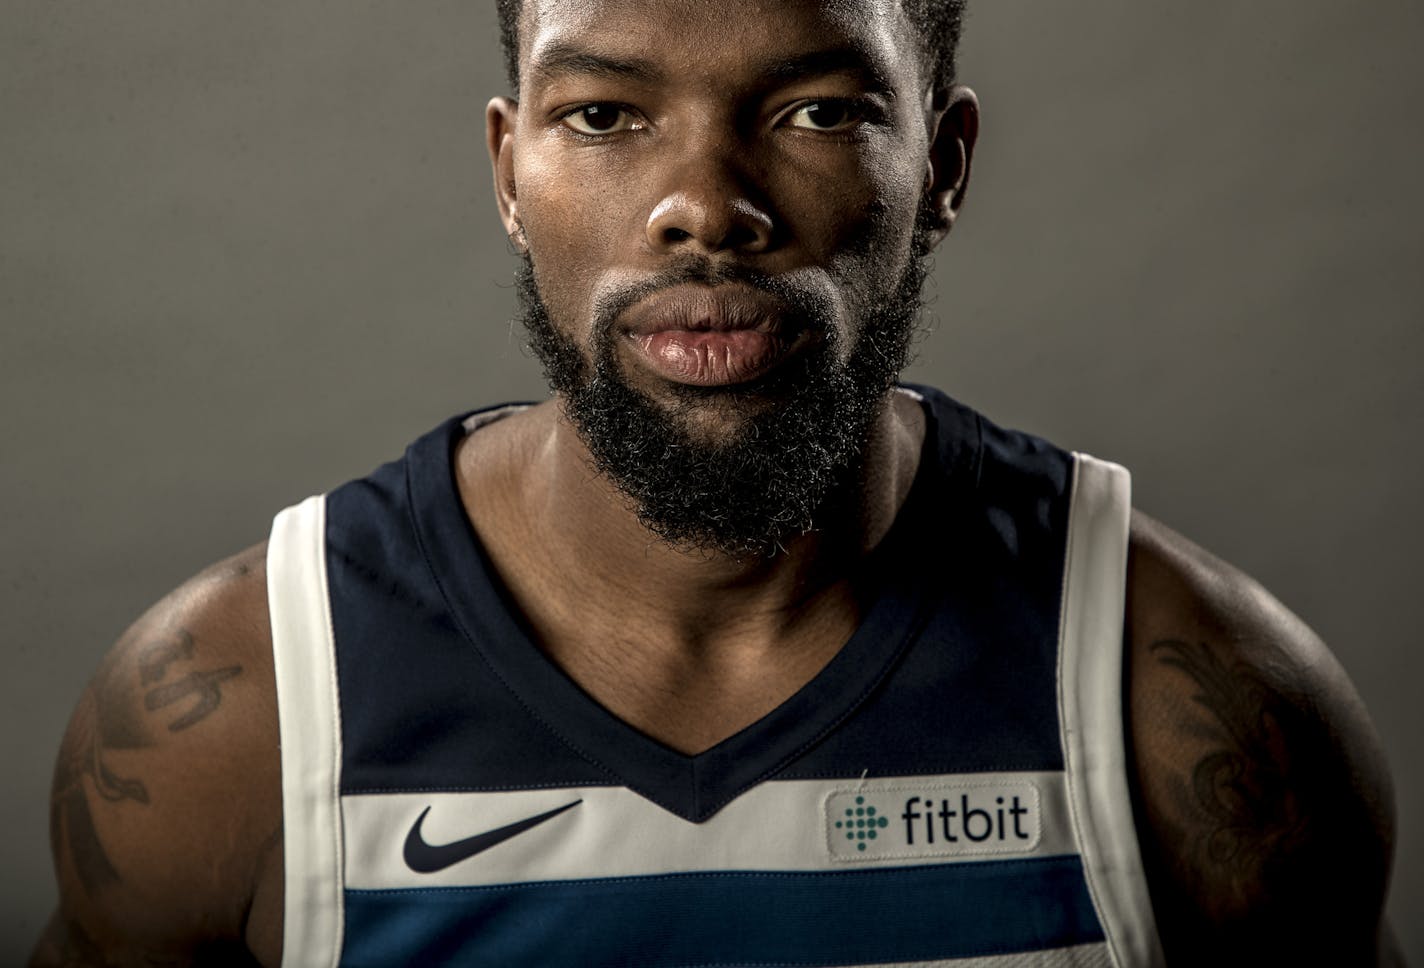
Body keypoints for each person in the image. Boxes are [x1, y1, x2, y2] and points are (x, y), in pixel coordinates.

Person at [32, 0, 1400, 965]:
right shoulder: (236, 717)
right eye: (608, 113)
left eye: (815, 107)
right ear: (510, 170)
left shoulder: (1192, 705)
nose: (705, 202)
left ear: (946, 166)